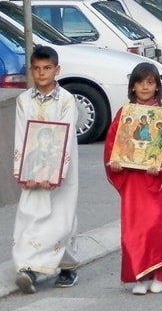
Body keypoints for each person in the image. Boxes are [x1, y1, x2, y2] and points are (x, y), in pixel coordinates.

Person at [104, 62, 162, 295]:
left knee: (156, 227)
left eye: (150, 82)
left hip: (152, 182)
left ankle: (159, 272)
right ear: (133, 87)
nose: (145, 87)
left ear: (157, 87)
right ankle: (140, 275)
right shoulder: (124, 114)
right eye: (140, 83)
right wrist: (115, 162)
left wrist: (160, 168)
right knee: (133, 231)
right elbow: (113, 143)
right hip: (131, 181)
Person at [12, 46, 80, 294]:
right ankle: (28, 268)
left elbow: (66, 132)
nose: (42, 73)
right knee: (29, 213)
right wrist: (23, 171)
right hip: (32, 165)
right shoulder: (23, 100)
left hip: (62, 168)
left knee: (61, 216)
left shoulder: (66, 100)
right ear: (31, 71)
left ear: (57, 70)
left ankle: (67, 267)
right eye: (37, 69)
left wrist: (56, 172)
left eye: (47, 68)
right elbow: (21, 135)